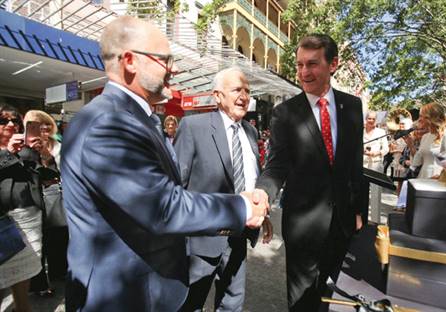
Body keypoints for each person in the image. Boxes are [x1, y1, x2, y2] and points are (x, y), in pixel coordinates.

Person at [60, 16, 267, 312]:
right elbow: (162, 207)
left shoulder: (138, 119)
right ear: (130, 61)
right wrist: (242, 207)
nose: (175, 68)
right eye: (165, 60)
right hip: (125, 299)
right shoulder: (108, 123)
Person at [254, 34, 364, 311]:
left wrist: (359, 210)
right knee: (303, 303)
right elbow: (276, 165)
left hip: (343, 224)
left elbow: (355, 163)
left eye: (312, 64)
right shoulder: (284, 114)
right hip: (303, 226)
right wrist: (262, 192)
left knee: (339, 299)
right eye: (300, 65)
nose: (304, 72)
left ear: (333, 64)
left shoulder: (352, 107)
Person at [175, 67, 273, 311]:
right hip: (200, 242)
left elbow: (252, 177)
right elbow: (175, 187)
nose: (244, 96)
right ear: (217, 95)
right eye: (237, 90)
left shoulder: (250, 131)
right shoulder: (192, 127)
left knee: (232, 305)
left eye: (247, 91)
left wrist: (263, 213)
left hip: (239, 237)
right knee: (189, 305)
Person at [0, 105, 44, 312]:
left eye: (15, 121)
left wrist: (35, 151)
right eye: (4, 121)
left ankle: (22, 307)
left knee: (25, 268)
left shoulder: (23, 147)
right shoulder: (7, 149)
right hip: (4, 216)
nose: (11, 124)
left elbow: (36, 175)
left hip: (29, 210)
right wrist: (7, 152)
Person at [24, 110, 68, 296]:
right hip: (35, 200)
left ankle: (59, 272)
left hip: (59, 197)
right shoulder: (24, 148)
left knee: (59, 236)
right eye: (36, 125)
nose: (43, 129)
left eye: (46, 124)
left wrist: (50, 159)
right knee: (38, 242)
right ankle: (39, 284)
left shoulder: (59, 143)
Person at [396, 102, 446, 208]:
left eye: (422, 116)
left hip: (438, 184)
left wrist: (442, 178)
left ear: (432, 117)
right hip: (422, 180)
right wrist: (411, 145)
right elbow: (416, 163)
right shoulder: (426, 137)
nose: (420, 119)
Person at [362, 111, 389, 223]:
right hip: (362, 164)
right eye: (369, 119)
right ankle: (362, 219)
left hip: (376, 164)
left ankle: (375, 222)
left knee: (376, 193)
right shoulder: (359, 131)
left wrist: (377, 153)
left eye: (374, 119)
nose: (371, 121)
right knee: (361, 192)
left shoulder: (381, 132)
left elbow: (386, 149)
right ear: (366, 119)